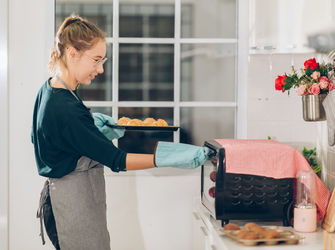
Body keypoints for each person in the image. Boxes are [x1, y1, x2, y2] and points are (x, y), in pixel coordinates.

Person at [31, 15, 214, 250]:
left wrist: (89, 131)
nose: (100, 69)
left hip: (69, 199)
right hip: (72, 206)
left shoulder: (51, 88)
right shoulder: (64, 106)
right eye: (96, 60)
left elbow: (41, 137)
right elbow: (117, 160)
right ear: (72, 53)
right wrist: (169, 157)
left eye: (103, 60)